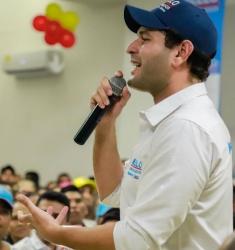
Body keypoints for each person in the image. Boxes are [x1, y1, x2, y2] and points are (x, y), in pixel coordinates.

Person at [16, 1, 232, 249]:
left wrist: (56, 234)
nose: (131, 48)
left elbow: (138, 238)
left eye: (145, 39)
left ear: (181, 53)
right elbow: (114, 192)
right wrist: (105, 124)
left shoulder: (186, 128)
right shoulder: (173, 120)